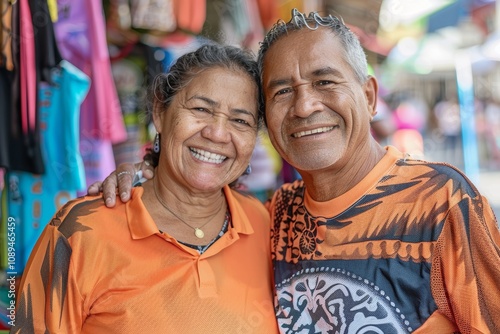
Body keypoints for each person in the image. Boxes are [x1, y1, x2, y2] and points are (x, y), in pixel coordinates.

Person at [91, 9, 500, 333]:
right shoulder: (274, 215)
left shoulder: (443, 202)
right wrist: (145, 175)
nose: (304, 106)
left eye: (325, 82)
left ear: (370, 96)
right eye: (283, 91)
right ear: (268, 121)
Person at [12, 44, 279, 333]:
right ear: (159, 113)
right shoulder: (81, 231)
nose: (216, 133)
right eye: (201, 109)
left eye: (240, 120)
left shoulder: (266, 226)